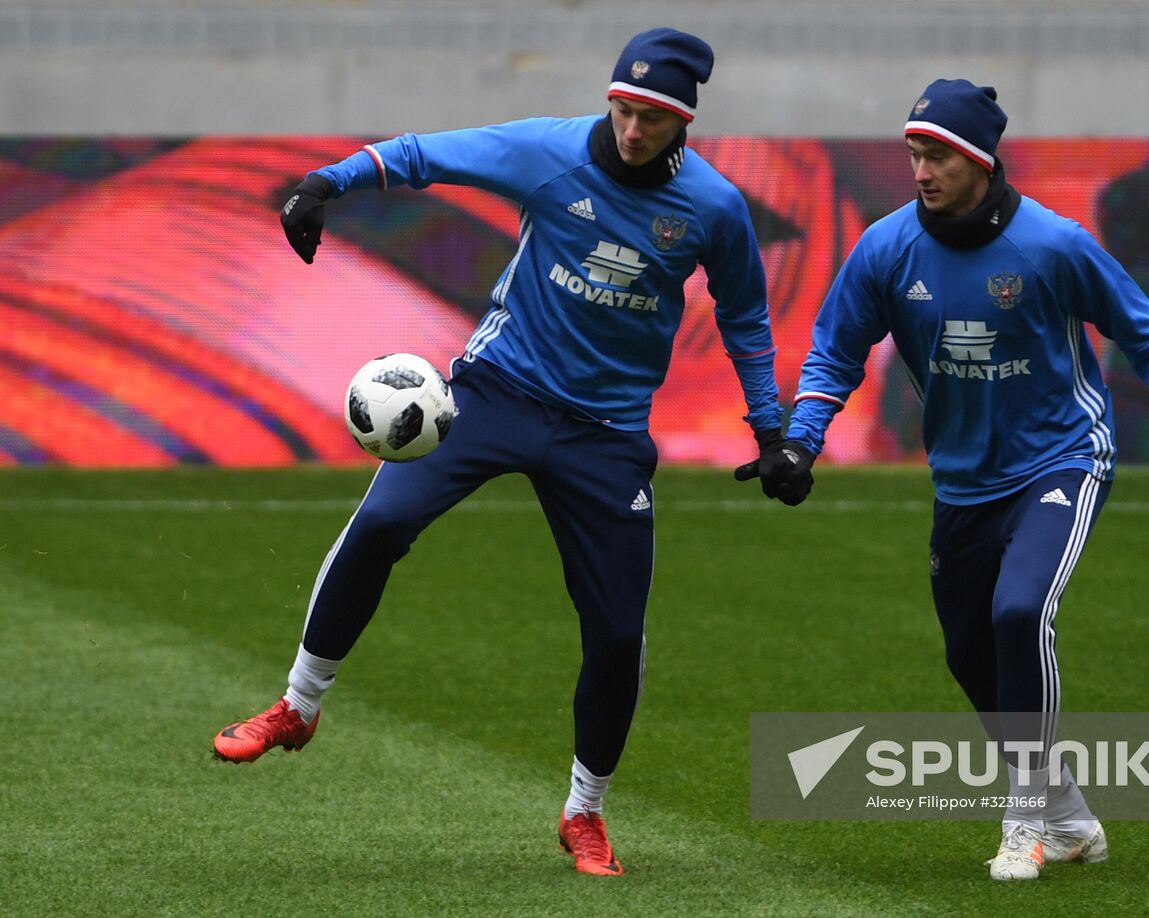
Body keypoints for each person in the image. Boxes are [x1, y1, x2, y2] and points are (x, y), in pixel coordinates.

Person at [212, 28, 796, 876]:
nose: (633, 130)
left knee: (616, 632)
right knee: (381, 526)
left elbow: (745, 319)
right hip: (494, 394)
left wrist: (771, 431)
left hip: (606, 436)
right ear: (610, 99)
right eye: (624, 109)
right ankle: (297, 706)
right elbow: (420, 156)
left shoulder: (714, 209)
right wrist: (322, 185)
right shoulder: (547, 151)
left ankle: (584, 813)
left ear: (684, 124)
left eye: (654, 119)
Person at [758, 79, 1149, 880]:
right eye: (914, 153)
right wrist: (801, 445)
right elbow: (837, 348)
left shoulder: (1053, 245)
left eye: (938, 154)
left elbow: (1146, 330)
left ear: (980, 160)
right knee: (967, 653)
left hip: (1063, 459)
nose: (921, 169)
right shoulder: (885, 249)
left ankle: (1025, 823)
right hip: (963, 483)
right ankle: (1072, 815)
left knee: (1019, 612)